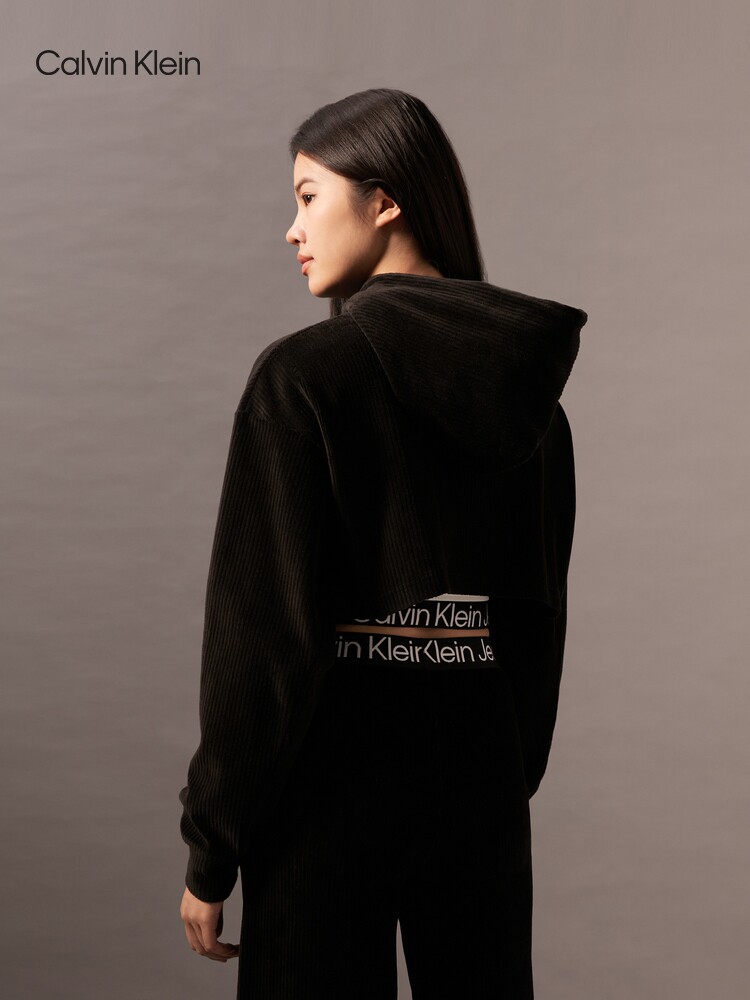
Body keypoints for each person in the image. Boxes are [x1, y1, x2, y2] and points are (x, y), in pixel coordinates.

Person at [178, 88, 587, 999]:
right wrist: (498, 773)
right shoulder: (531, 402)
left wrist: (213, 845)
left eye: (308, 196)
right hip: (479, 758)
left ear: (385, 200)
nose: (292, 229)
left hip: (332, 762)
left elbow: (265, 637)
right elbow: (537, 622)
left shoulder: (303, 377)